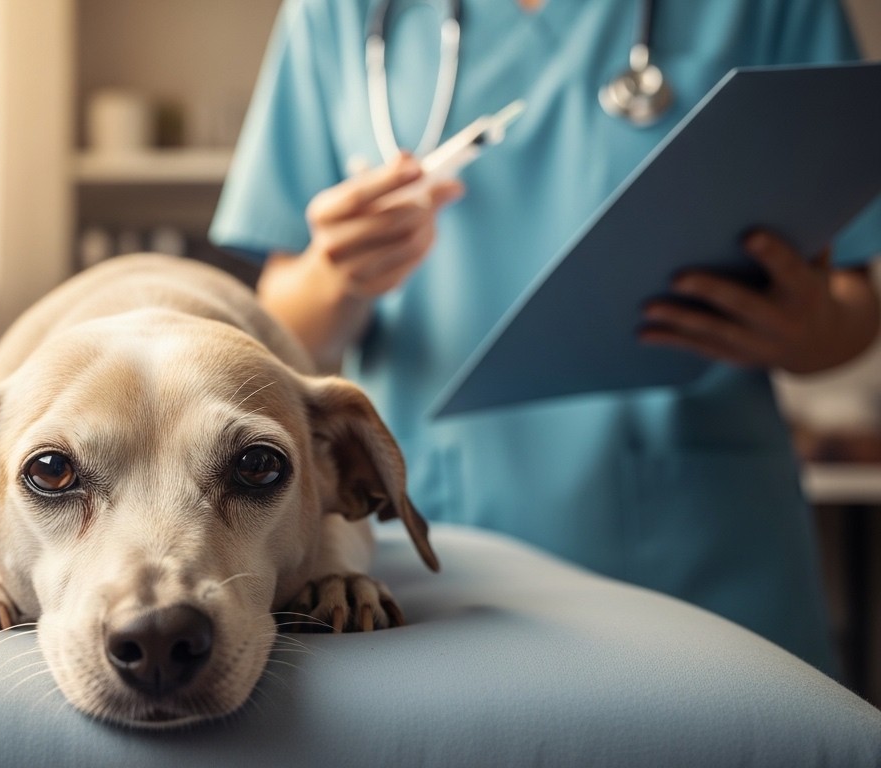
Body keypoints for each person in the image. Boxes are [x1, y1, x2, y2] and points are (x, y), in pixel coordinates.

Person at [210, 0, 881, 675]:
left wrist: (804, 323)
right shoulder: (337, 12)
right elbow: (283, 334)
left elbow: (853, 304)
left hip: (705, 544)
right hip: (439, 544)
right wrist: (336, 272)